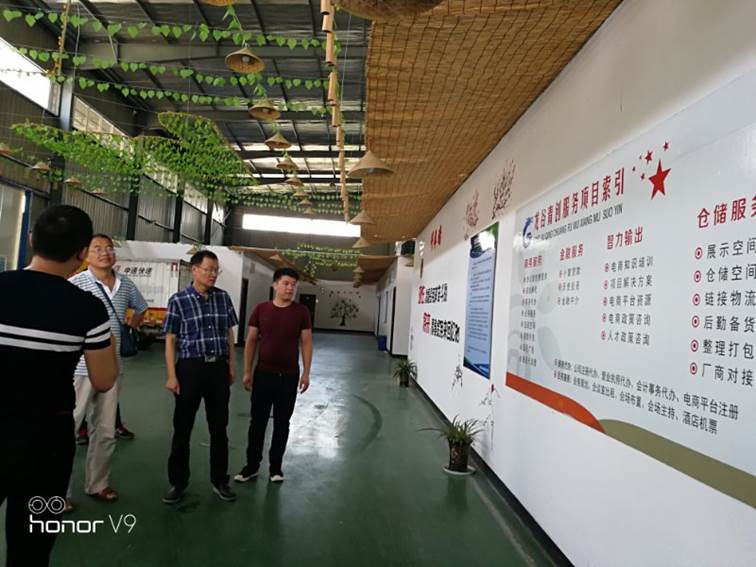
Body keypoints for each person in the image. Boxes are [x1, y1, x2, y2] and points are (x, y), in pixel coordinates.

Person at [0, 205, 118, 567]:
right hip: (47, 441)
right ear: (82, 253)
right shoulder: (88, 308)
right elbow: (104, 380)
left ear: (31, 239)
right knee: (32, 546)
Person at [66, 234, 148, 510]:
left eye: (109, 248)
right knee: (69, 426)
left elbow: (141, 307)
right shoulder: (77, 283)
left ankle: (98, 483)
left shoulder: (125, 284)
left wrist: (129, 328)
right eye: (97, 248)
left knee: (105, 429)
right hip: (80, 367)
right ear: (86, 254)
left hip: (113, 367)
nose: (105, 253)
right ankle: (59, 491)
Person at [162, 250, 238, 504]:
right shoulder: (178, 300)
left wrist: (231, 364)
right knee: (182, 429)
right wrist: (172, 375)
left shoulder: (223, 298)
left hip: (218, 369)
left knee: (219, 428)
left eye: (216, 270)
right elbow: (170, 340)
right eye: (208, 269)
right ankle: (178, 482)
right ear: (194, 270)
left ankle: (220, 480)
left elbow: (229, 333)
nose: (213, 274)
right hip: (189, 369)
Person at [235, 267, 313, 484]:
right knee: (257, 423)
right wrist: (247, 371)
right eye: (286, 283)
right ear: (275, 285)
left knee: (282, 423)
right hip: (263, 374)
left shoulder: (301, 312)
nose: (290, 288)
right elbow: (251, 340)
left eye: (293, 285)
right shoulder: (261, 309)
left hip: (288, 377)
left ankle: (275, 467)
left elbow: (306, 343)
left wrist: (306, 373)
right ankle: (251, 466)